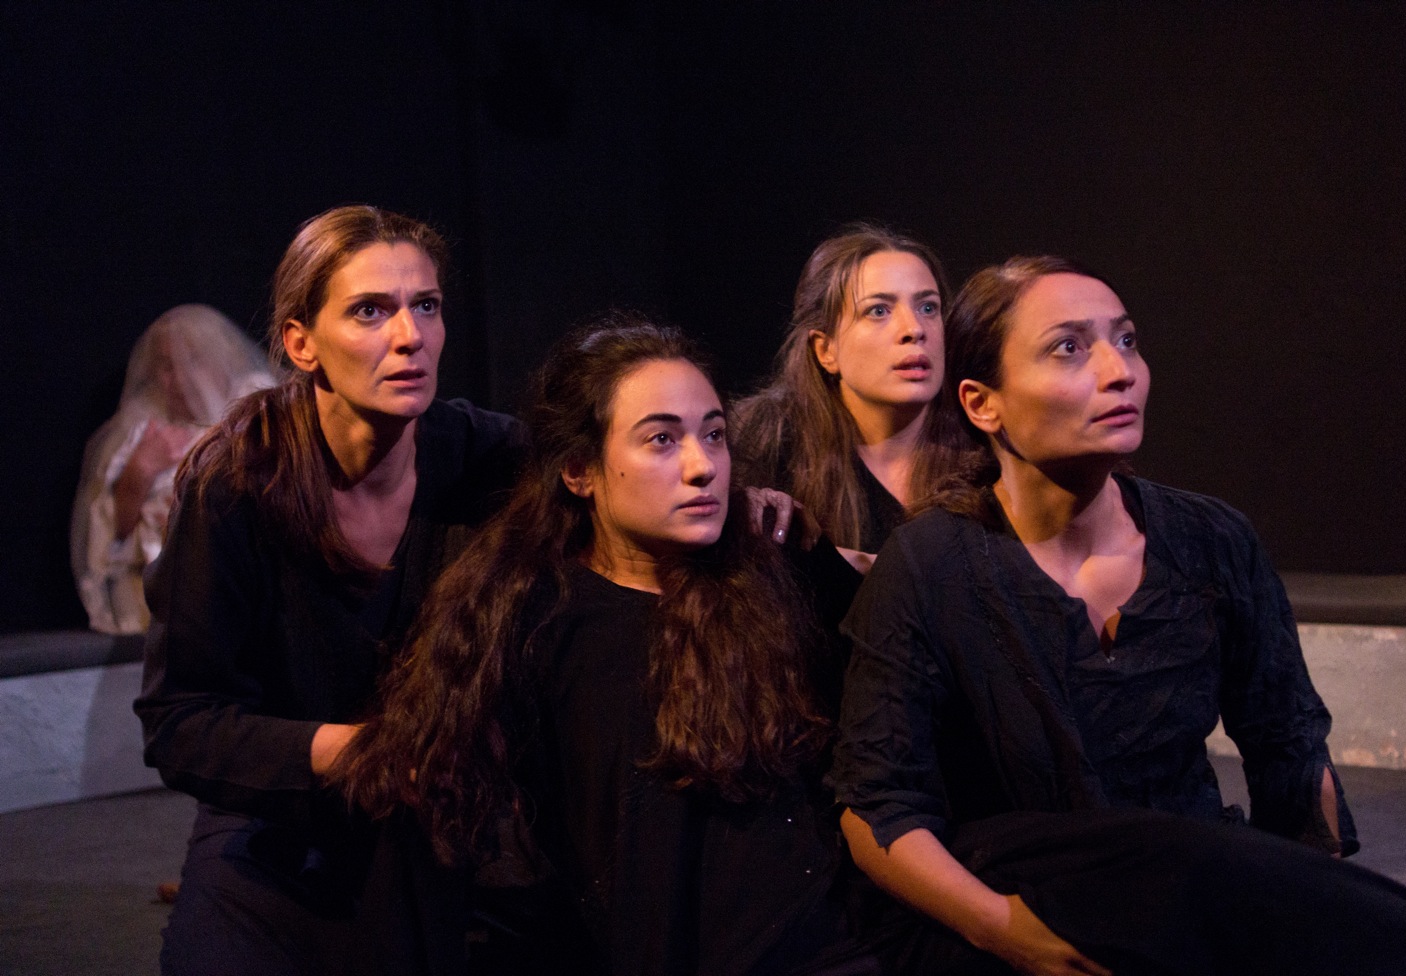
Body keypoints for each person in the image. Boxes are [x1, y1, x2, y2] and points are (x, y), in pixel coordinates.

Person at [830, 256, 1406, 975]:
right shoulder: (930, 566)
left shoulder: (1211, 541)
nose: (1119, 371)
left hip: (1186, 887)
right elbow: (878, 805)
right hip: (1012, 903)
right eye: (1069, 348)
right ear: (982, 404)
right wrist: (1006, 932)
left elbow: (1287, 747)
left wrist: (1301, 911)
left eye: (1126, 341)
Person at [337, 316, 876, 976]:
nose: (703, 467)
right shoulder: (531, 623)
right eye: (661, 440)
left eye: (714, 434)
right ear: (579, 470)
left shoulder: (780, 575)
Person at [133, 205, 526, 976]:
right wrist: (354, 751)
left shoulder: (482, 454)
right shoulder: (235, 488)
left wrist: (744, 502)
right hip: (281, 816)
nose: (410, 336)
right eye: (370, 311)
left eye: (426, 306)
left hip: (443, 819)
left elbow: (614, 471)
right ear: (300, 342)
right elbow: (180, 722)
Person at [734, 224, 971, 571]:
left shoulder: (984, 448)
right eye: (878, 311)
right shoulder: (766, 446)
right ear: (825, 350)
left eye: (928, 308)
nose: (914, 329)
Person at [70, 304, 274, 634]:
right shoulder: (143, 429)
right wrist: (139, 473)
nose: (178, 377)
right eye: (166, 365)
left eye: (193, 360)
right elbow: (109, 543)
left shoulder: (260, 416)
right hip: (158, 603)